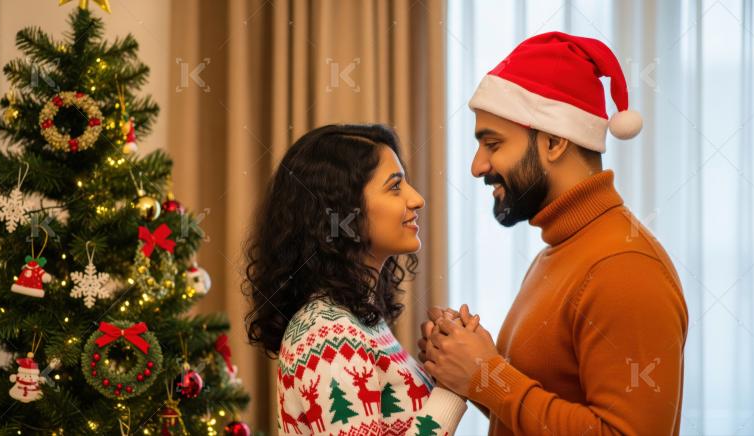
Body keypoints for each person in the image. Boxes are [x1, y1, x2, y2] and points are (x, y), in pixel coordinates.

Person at [419, 32, 689, 435]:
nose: (477, 166)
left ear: (554, 142)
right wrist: (468, 371)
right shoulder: (561, 250)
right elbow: (537, 411)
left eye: (493, 143)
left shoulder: (624, 266)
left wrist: (488, 375)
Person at [244, 124, 468, 435]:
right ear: (342, 212)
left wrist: (443, 367)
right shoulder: (328, 334)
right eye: (394, 187)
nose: (417, 199)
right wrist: (453, 388)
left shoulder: (356, 319)